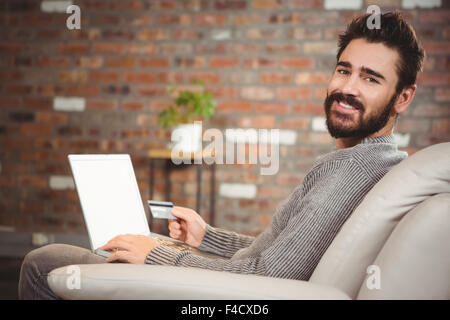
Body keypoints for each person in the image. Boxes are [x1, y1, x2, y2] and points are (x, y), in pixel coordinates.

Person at [18, 11, 424, 299]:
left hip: (235, 296)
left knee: (45, 262)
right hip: (245, 284)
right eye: (343, 69)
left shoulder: (350, 172)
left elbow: (266, 276)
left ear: (403, 97)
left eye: (370, 78)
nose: (347, 87)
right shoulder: (372, 161)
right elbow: (280, 255)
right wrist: (206, 237)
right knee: (111, 247)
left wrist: (157, 256)